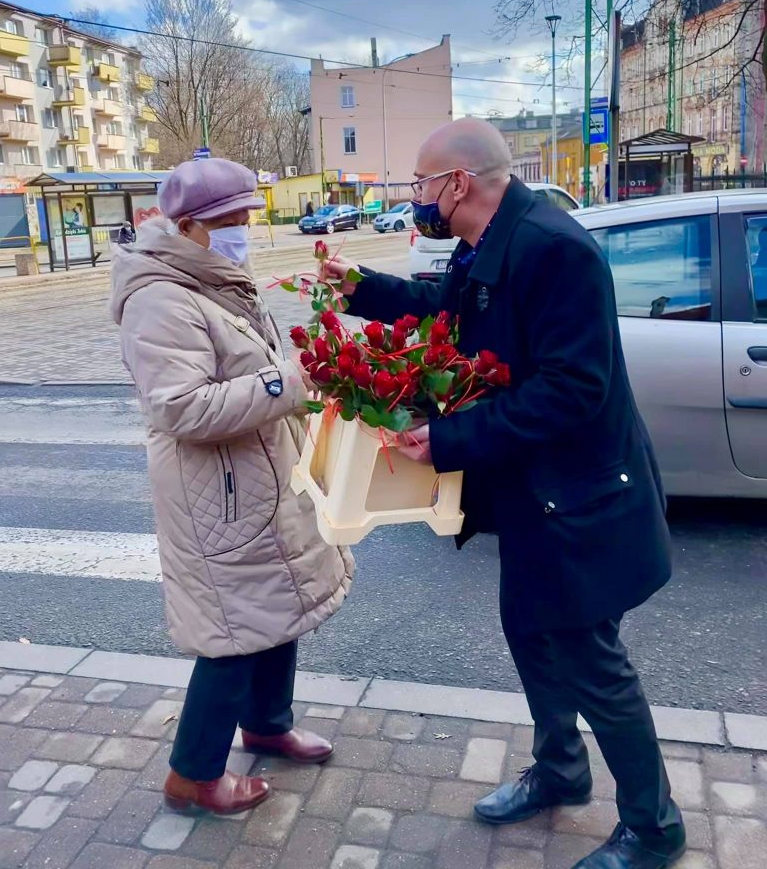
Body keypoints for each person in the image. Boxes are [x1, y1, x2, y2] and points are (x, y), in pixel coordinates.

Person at [325, 119, 686, 869]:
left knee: (591, 657)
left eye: (421, 183)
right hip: (533, 496)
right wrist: (358, 289)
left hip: (583, 498)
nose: (416, 197)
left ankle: (654, 827)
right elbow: (447, 314)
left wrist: (453, 439)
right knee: (529, 630)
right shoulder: (485, 242)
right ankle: (560, 770)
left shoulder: (554, 249)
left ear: (457, 183)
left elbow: (574, 390)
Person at [111, 157, 354, 816]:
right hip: (215, 491)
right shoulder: (161, 296)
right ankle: (192, 774)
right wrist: (288, 385)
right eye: (229, 221)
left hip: (256, 472)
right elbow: (180, 407)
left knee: (278, 604)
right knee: (234, 629)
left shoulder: (214, 277)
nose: (243, 231)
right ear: (186, 226)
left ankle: (268, 724)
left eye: (248, 217)